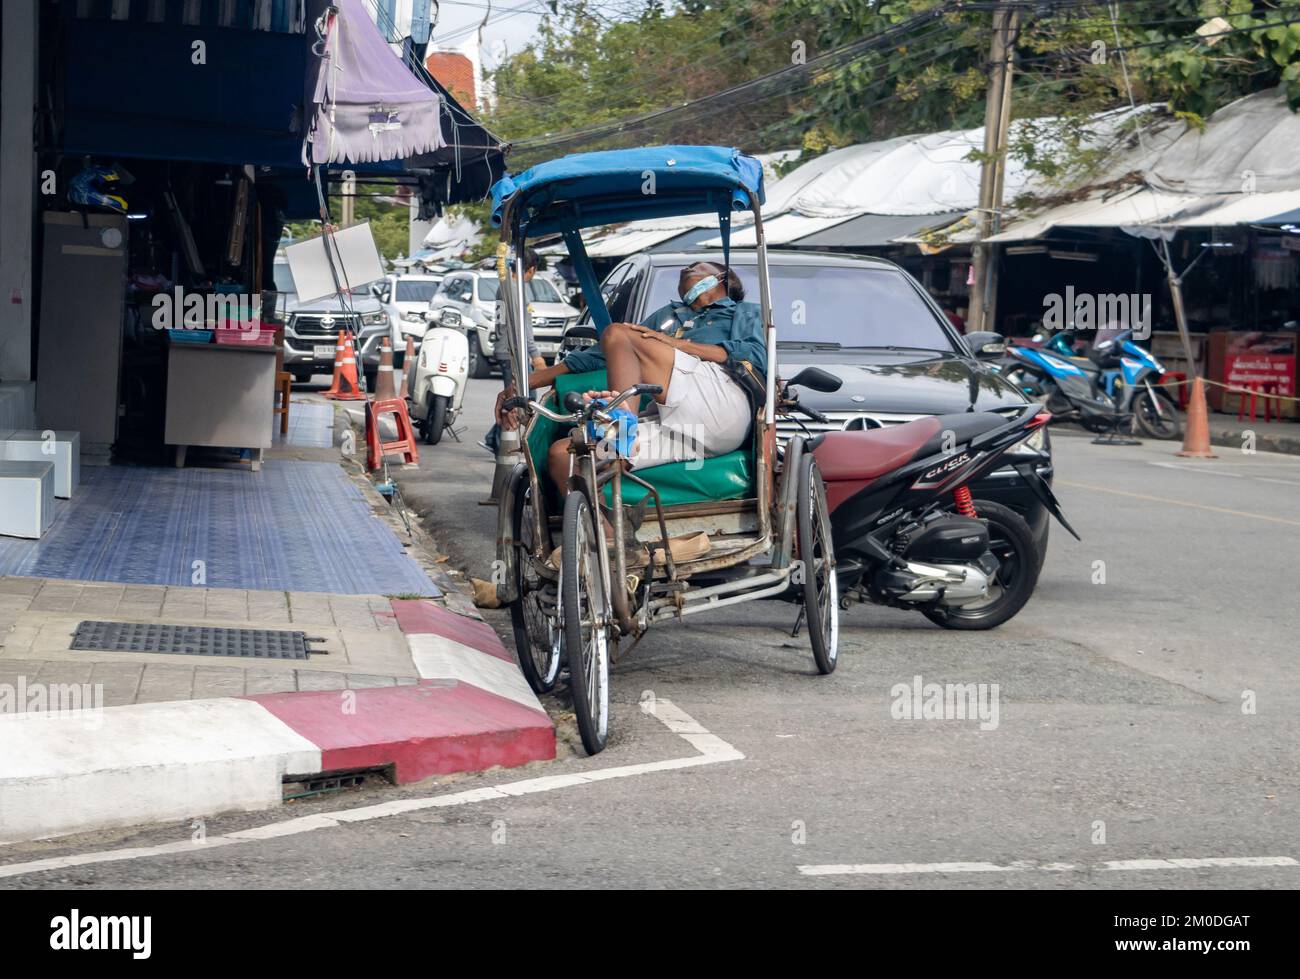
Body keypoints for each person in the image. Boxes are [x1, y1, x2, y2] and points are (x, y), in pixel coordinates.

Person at [496, 260, 765, 499]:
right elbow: (600, 355)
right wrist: (523, 384)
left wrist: (676, 345)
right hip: (679, 425)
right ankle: (604, 533)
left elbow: (755, 355)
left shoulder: (742, 312)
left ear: (723, 278)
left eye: (697, 266)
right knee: (562, 455)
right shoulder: (669, 316)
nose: (687, 268)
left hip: (721, 405)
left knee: (617, 333)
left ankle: (620, 436)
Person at [481, 247, 546, 454]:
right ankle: (502, 443)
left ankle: (494, 438)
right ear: (532, 269)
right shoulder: (516, 290)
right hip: (513, 352)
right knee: (524, 399)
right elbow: (522, 327)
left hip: (506, 349)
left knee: (518, 397)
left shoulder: (506, 285)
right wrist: (535, 354)